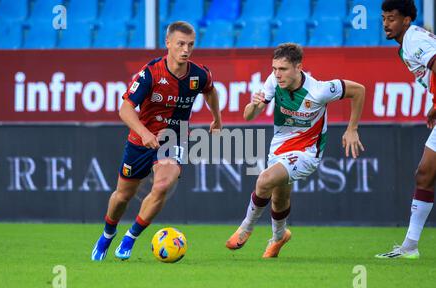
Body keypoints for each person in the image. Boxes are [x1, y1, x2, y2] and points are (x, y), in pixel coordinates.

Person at [91, 21, 222, 261]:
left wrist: (216, 119)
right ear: (168, 43)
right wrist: (145, 133)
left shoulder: (199, 74)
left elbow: (211, 91)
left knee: (162, 185)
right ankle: (107, 234)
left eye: (190, 45)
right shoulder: (151, 73)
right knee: (123, 196)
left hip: (174, 138)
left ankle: (131, 237)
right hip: (142, 139)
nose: (186, 49)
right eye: (181, 44)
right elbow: (126, 109)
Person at [226, 43, 365, 258]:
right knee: (279, 198)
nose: (277, 74)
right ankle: (279, 236)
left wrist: (352, 128)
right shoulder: (273, 82)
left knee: (264, 180)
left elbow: (359, 90)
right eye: (274, 69)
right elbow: (248, 116)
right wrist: (254, 105)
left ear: (298, 67)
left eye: (282, 69)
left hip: (308, 152)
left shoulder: (319, 90)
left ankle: (245, 228)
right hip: (280, 146)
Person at [375, 0, 436, 259]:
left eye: (392, 18)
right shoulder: (408, 42)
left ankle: (410, 246)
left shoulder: (413, 40)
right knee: (424, 174)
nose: (386, 24)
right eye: (384, 18)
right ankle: (410, 247)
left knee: (424, 173)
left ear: (407, 20)